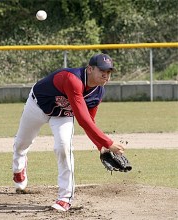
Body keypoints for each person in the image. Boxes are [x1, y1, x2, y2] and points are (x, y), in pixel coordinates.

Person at [12, 53, 126, 212]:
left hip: (63, 115)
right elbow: (82, 119)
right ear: (90, 69)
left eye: (109, 72)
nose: (106, 75)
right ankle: (18, 167)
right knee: (21, 144)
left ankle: (64, 199)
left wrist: (101, 146)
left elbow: (89, 121)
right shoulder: (73, 79)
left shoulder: (98, 92)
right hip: (37, 106)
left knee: (64, 148)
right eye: (102, 71)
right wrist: (108, 142)